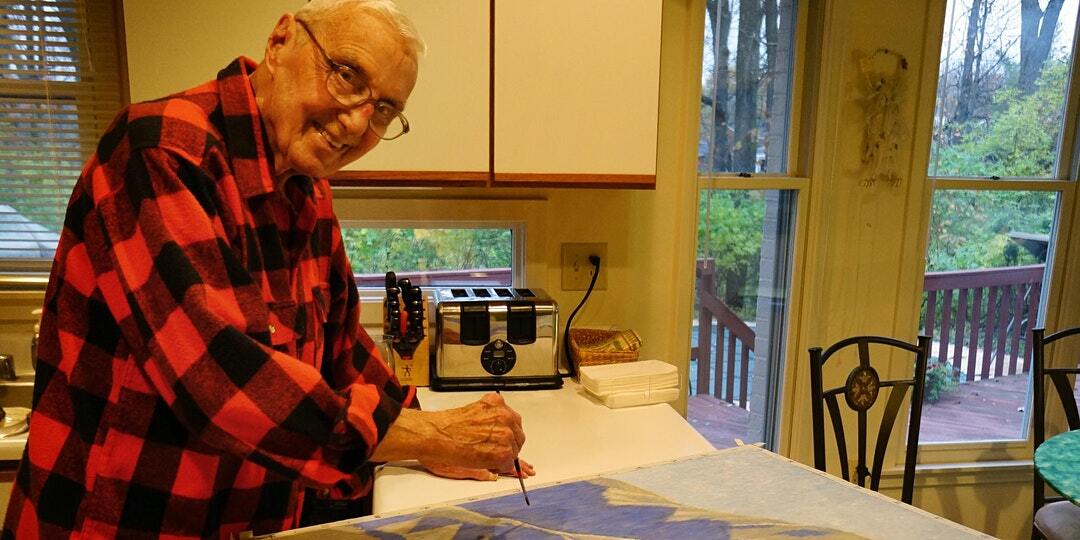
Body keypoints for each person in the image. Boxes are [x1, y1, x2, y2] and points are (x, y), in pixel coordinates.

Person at [1, 1, 531, 537]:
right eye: (348, 75)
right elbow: (222, 381)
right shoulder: (159, 151)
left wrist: (434, 427)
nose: (357, 122)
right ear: (280, 42)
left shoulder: (307, 189)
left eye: (384, 109)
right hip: (115, 523)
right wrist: (426, 435)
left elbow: (342, 350)